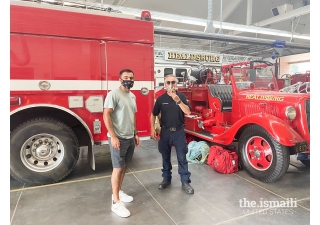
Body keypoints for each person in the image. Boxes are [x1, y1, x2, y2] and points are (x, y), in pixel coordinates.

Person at [103, 68, 140, 218]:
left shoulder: (132, 96)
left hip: (129, 137)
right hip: (118, 138)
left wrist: (136, 133)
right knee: (117, 168)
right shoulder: (113, 94)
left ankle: (118, 192)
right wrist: (113, 136)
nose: (128, 80)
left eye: (131, 77)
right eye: (126, 77)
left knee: (124, 165)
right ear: (119, 79)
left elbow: (133, 116)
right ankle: (115, 203)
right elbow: (106, 114)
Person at [150, 74, 194, 195]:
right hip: (165, 132)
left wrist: (178, 100)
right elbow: (153, 114)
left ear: (177, 84)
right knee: (165, 156)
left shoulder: (182, 97)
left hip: (179, 131)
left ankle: (185, 181)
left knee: (182, 157)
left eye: (173, 82)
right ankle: (166, 179)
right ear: (164, 85)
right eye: (168, 82)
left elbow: (188, 111)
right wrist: (152, 128)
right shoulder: (161, 99)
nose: (170, 85)